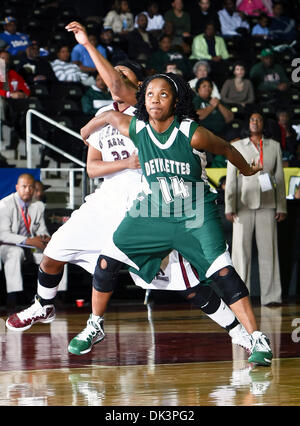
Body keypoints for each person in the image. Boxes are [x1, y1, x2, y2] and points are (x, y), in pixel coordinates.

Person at [6, 61, 252, 360]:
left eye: (125, 76)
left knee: (185, 284)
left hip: (147, 202)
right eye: (116, 73)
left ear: (139, 87)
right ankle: (43, 305)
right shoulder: (103, 115)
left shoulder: (149, 113)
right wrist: (125, 161)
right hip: (104, 200)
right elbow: (93, 168)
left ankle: (238, 331)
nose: (116, 79)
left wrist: (86, 42)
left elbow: (212, 146)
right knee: (53, 253)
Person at [73, 71, 274, 366]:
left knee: (222, 272)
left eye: (163, 94)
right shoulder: (137, 127)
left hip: (194, 212)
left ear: (175, 101)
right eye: (150, 94)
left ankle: (257, 337)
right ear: (143, 99)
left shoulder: (190, 132)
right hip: (153, 210)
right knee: (107, 261)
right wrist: (87, 127)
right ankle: (95, 324)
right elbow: (109, 118)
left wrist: (245, 169)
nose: (155, 99)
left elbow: (227, 148)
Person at [225, 111, 287, 306]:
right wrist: (229, 205)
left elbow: (278, 179)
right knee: (240, 254)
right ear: (248, 123)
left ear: (263, 124)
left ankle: (271, 297)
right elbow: (231, 179)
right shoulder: (236, 146)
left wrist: (281, 206)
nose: (255, 122)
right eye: (251, 119)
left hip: (268, 204)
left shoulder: (274, 146)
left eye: (258, 119)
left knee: (269, 252)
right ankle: (240, 297)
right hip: (242, 205)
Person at [0, 174, 51, 308]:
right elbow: (3, 235)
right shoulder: (5, 204)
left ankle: (52, 297)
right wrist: (29, 241)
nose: (27, 190)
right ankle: (14, 297)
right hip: (7, 245)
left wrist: (45, 238)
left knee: (55, 254)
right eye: (24, 186)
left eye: (31, 187)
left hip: (31, 244)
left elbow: (42, 228)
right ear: (17, 187)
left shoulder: (38, 205)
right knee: (15, 252)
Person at [0, 50, 30, 151]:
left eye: (7, 59)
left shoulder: (13, 73)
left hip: (16, 102)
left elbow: (26, 88)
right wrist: (10, 94)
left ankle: (19, 132)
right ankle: (5, 125)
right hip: (4, 100)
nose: (5, 61)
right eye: (2, 58)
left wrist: (23, 94)